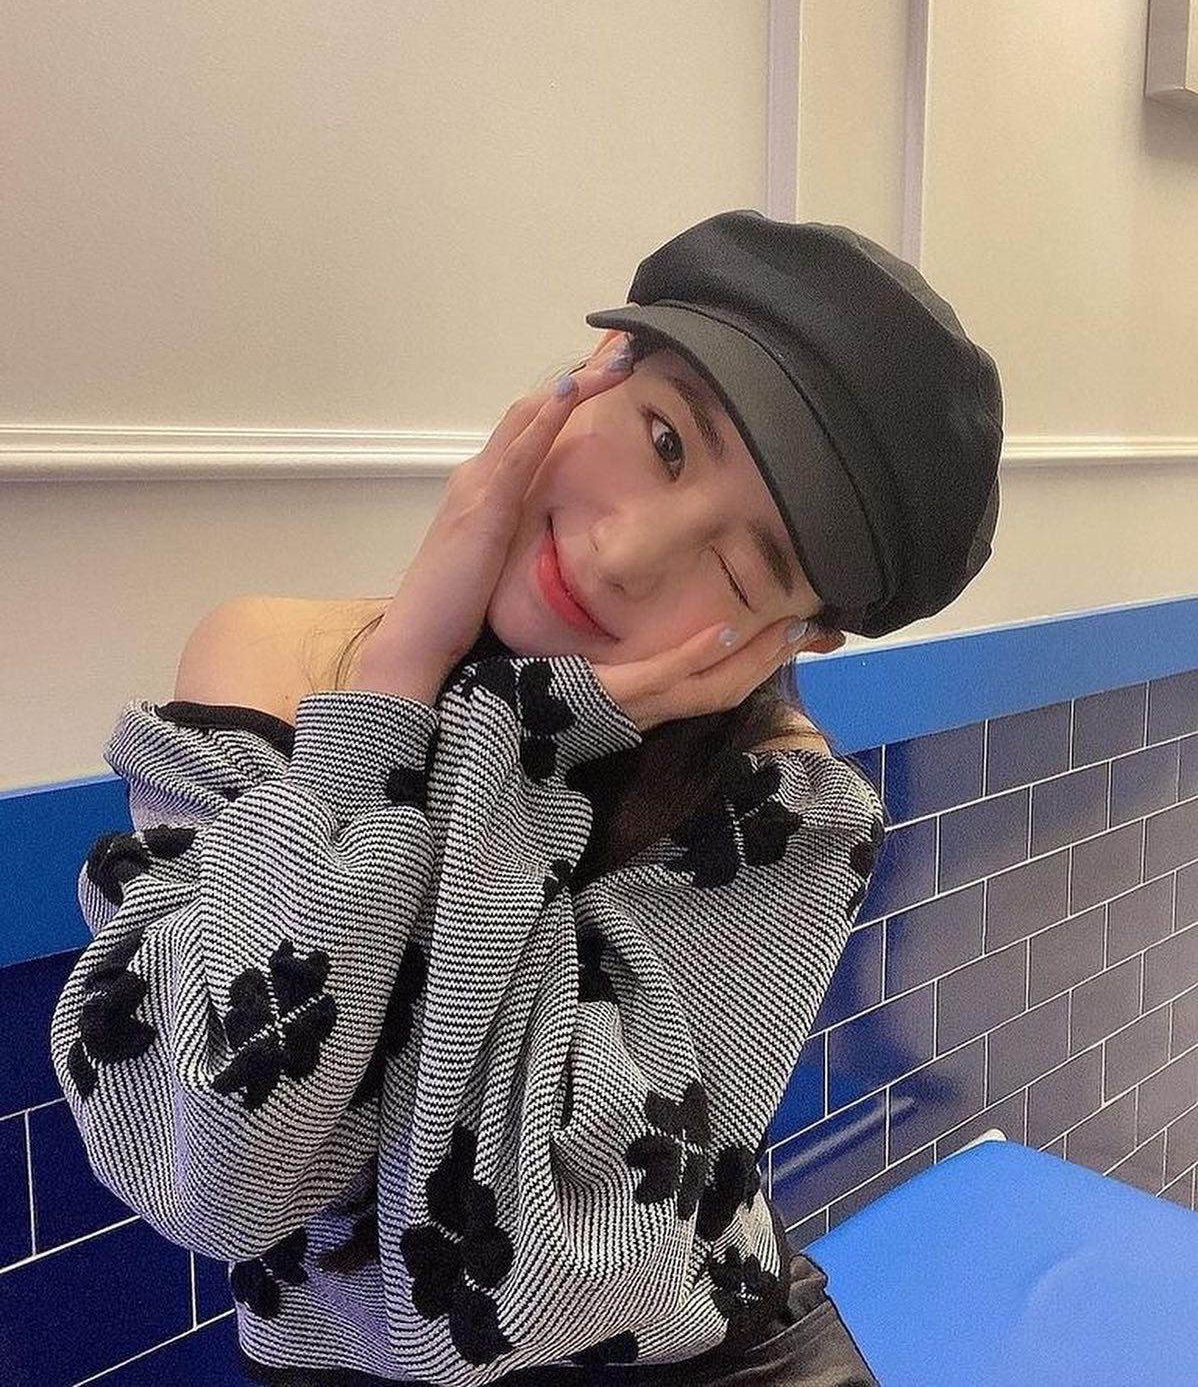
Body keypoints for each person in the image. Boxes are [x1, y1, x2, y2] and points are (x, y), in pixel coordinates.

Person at [49, 211, 1002, 1386]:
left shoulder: (788, 812)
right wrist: (393, 684)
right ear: (599, 366)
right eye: (664, 440)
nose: (623, 555)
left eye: (739, 565)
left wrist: (519, 740)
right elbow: (209, 1172)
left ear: (795, 635)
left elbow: (516, 1282)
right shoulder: (271, 657)